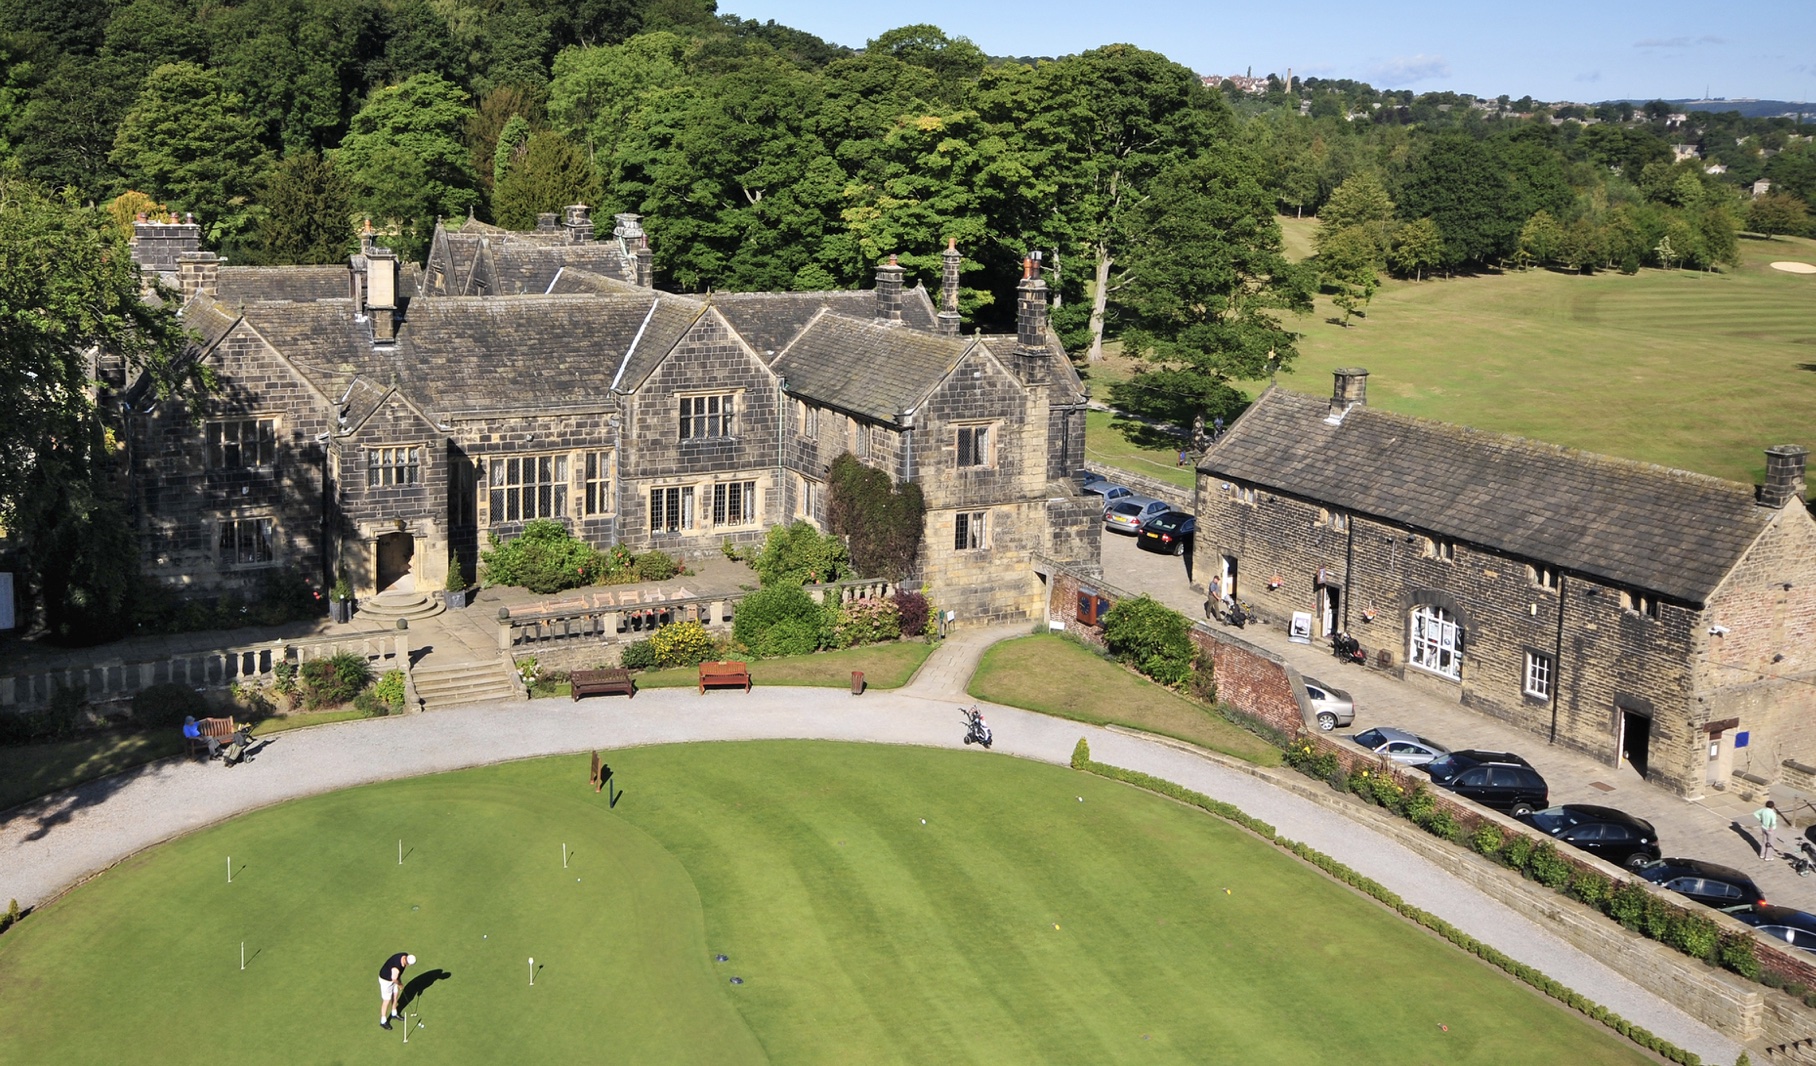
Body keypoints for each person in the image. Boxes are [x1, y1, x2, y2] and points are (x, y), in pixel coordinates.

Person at [379, 952, 415, 1029]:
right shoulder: (397, 967)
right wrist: (400, 984)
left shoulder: (404, 955)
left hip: (394, 978)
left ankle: (394, 1013)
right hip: (386, 980)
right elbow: (394, 978)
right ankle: (383, 1021)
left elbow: (396, 977)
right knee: (387, 1000)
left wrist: (398, 982)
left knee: (395, 994)